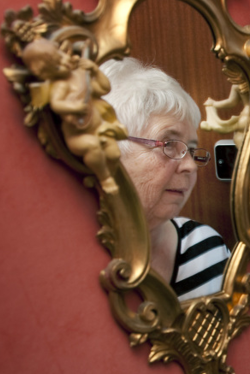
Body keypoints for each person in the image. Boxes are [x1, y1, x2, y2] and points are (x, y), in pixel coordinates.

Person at [100, 58, 230, 301]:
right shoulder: (74, 262)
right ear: (110, 151)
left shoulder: (208, 249)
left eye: (192, 149)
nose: (190, 166)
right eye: (170, 144)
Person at [21, 38, 126, 194]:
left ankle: (105, 172)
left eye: (61, 58)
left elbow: (103, 89)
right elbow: (57, 104)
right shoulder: (60, 86)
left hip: (100, 128)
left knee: (114, 154)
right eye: (56, 67)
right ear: (46, 74)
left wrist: (95, 71)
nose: (64, 64)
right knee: (92, 146)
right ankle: (104, 178)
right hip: (78, 135)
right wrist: (75, 107)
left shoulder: (80, 75)